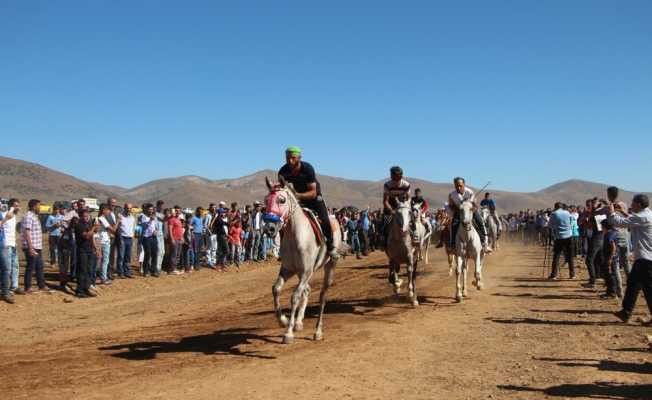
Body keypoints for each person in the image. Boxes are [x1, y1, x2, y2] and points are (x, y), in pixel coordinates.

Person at [278, 146, 338, 259]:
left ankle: (330, 247)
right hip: (296, 200)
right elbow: (282, 190)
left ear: (299, 158)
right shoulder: (283, 172)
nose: (290, 161)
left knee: (324, 219)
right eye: (287, 158)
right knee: (283, 222)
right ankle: (284, 248)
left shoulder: (307, 169)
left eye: (293, 158)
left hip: (314, 198)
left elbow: (313, 192)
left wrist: (297, 196)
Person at [609, 194, 652, 324]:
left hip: (646, 259)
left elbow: (619, 223)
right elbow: (633, 219)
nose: (631, 205)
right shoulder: (647, 214)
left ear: (638, 204)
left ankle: (626, 312)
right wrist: (622, 212)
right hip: (644, 258)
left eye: (633, 203)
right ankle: (625, 312)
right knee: (634, 285)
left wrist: (611, 211)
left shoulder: (642, 217)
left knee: (647, 288)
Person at [446, 177, 492, 253]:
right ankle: (453, 244)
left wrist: (471, 209)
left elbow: (475, 205)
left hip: (471, 212)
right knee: (453, 225)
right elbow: (451, 205)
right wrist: (458, 209)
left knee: (480, 221)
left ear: (464, 184)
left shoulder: (470, 192)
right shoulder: (452, 195)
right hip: (459, 213)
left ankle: (484, 243)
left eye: (460, 185)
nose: (458, 187)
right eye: (456, 185)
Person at [20, 199, 50, 294]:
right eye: (39, 206)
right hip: (31, 246)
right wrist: (30, 248)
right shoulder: (28, 216)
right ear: (33, 206)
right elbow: (27, 232)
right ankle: (27, 287)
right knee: (30, 267)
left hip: (37, 246)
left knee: (39, 266)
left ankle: (41, 285)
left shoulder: (35, 216)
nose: (40, 208)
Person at [382, 166, 411, 247]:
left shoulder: (406, 185)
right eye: (392, 177)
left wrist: (405, 208)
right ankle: (383, 241)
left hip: (403, 205)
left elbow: (408, 199)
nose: (393, 179)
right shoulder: (387, 185)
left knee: (412, 221)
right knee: (384, 223)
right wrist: (392, 211)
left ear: (401, 176)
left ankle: (415, 239)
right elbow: (385, 201)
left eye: (396, 177)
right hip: (390, 206)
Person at [74, 209, 98, 298]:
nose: (86, 218)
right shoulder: (79, 225)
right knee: (82, 271)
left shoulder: (88, 224)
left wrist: (95, 248)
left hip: (89, 250)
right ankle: (79, 290)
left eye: (87, 216)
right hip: (82, 250)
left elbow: (91, 237)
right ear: (80, 217)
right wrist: (93, 228)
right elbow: (87, 235)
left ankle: (86, 288)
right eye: (84, 216)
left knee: (89, 270)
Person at [548, 202, 575, 280]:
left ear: (555, 207)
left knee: (556, 256)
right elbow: (573, 222)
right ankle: (572, 274)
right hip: (569, 236)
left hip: (559, 237)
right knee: (570, 256)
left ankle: (554, 275)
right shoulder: (567, 212)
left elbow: (550, 225)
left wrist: (556, 227)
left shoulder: (554, 214)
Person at [116, 204, 135, 278]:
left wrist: (133, 236)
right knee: (121, 256)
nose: (129, 210)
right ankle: (120, 272)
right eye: (127, 208)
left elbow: (132, 228)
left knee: (128, 256)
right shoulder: (120, 216)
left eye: (130, 208)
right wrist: (119, 237)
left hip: (130, 238)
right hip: (122, 238)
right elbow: (117, 228)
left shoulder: (132, 218)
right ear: (124, 208)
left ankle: (127, 272)